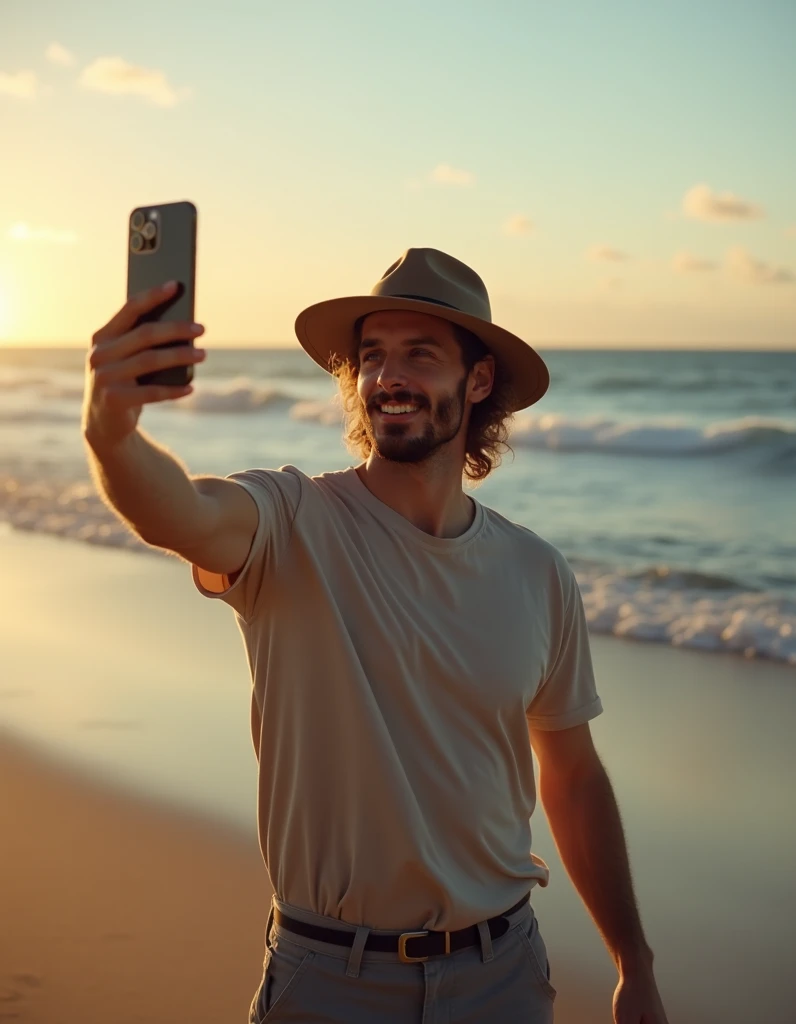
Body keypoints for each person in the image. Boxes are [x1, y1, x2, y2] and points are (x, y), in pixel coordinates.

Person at [82, 248, 670, 1023]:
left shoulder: (536, 571)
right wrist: (110, 428)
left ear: (480, 380)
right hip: (329, 980)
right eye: (371, 357)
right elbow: (178, 511)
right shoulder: (292, 522)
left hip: (504, 977)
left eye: (420, 355)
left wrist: (634, 961)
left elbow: (572, 776)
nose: (388, 377)